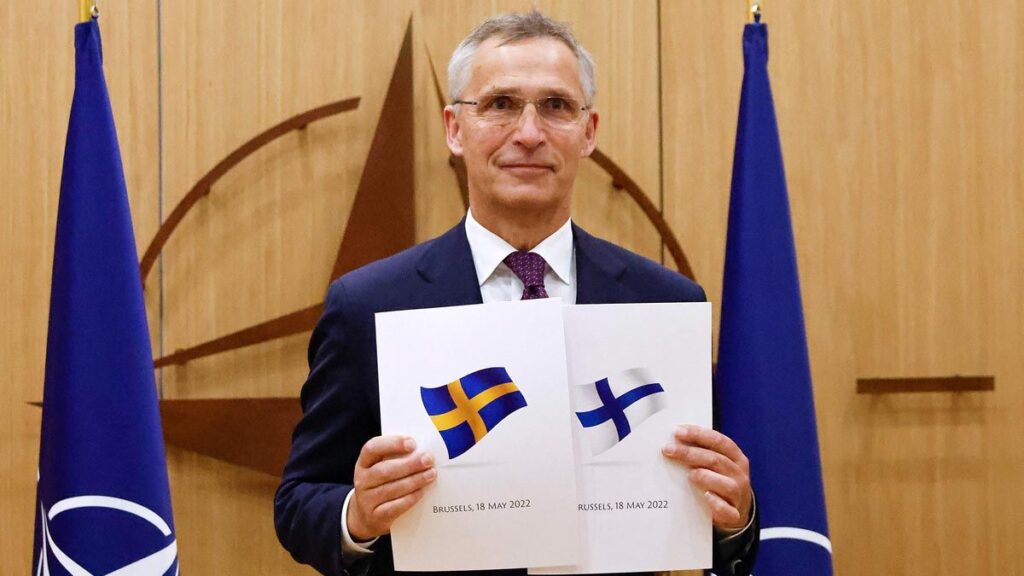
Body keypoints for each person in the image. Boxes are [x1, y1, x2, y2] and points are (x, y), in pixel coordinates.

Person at [275, 11, 758, 576]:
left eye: (555, 106)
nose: (528, 133)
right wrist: (357, 516)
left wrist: (737, 514)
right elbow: (299, 501)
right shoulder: (368, 305)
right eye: (500, 104)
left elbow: (717, 522)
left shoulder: (665, 304)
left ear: (589, 131)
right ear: (454, 128)